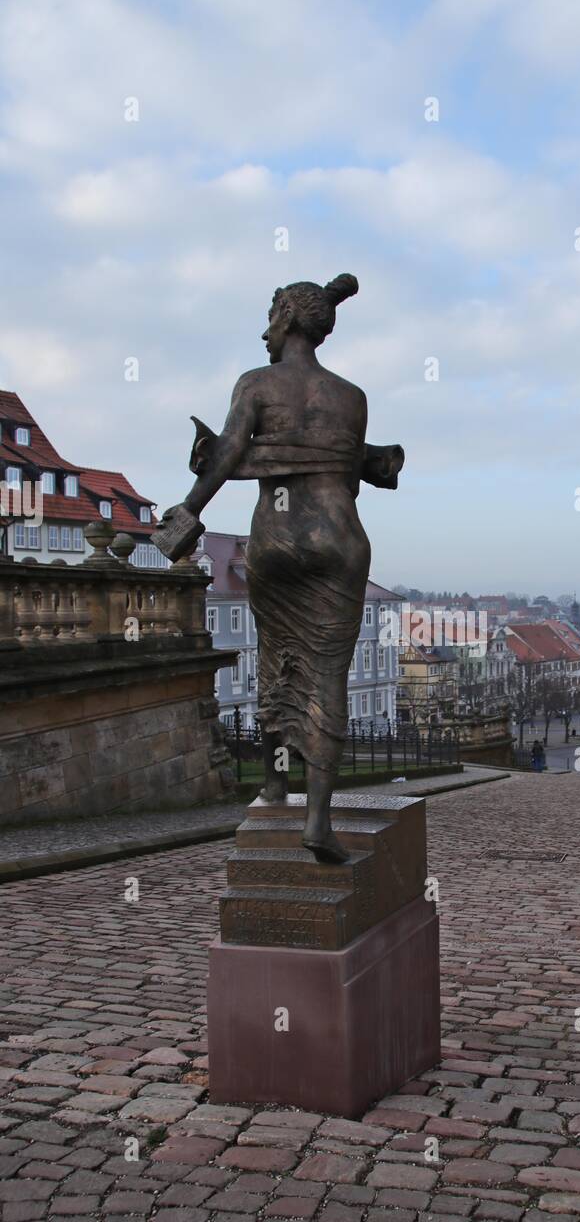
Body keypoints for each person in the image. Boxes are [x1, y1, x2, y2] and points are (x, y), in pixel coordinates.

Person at [155, 272, 404, 864]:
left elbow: (230, 455)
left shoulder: (256, 383)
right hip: (340, 541)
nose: (265, 328)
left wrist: (189, 508)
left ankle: (274, 783)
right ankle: (318, 818)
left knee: (279, 659)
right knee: (328, 673)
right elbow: (346, 479)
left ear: (289, 317)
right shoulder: (352, 397)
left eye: (272, 313)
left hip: (278, 538)